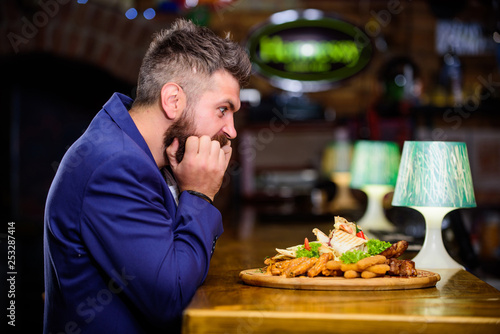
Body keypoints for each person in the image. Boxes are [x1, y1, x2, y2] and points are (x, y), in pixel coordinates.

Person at [43, 18, 251, 333]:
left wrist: (185, 189)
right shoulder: (114, 166)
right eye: (223, 109)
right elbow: (170, 298)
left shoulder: (139, 150)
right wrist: (199, 194)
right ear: (173, 100)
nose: (231, 130)